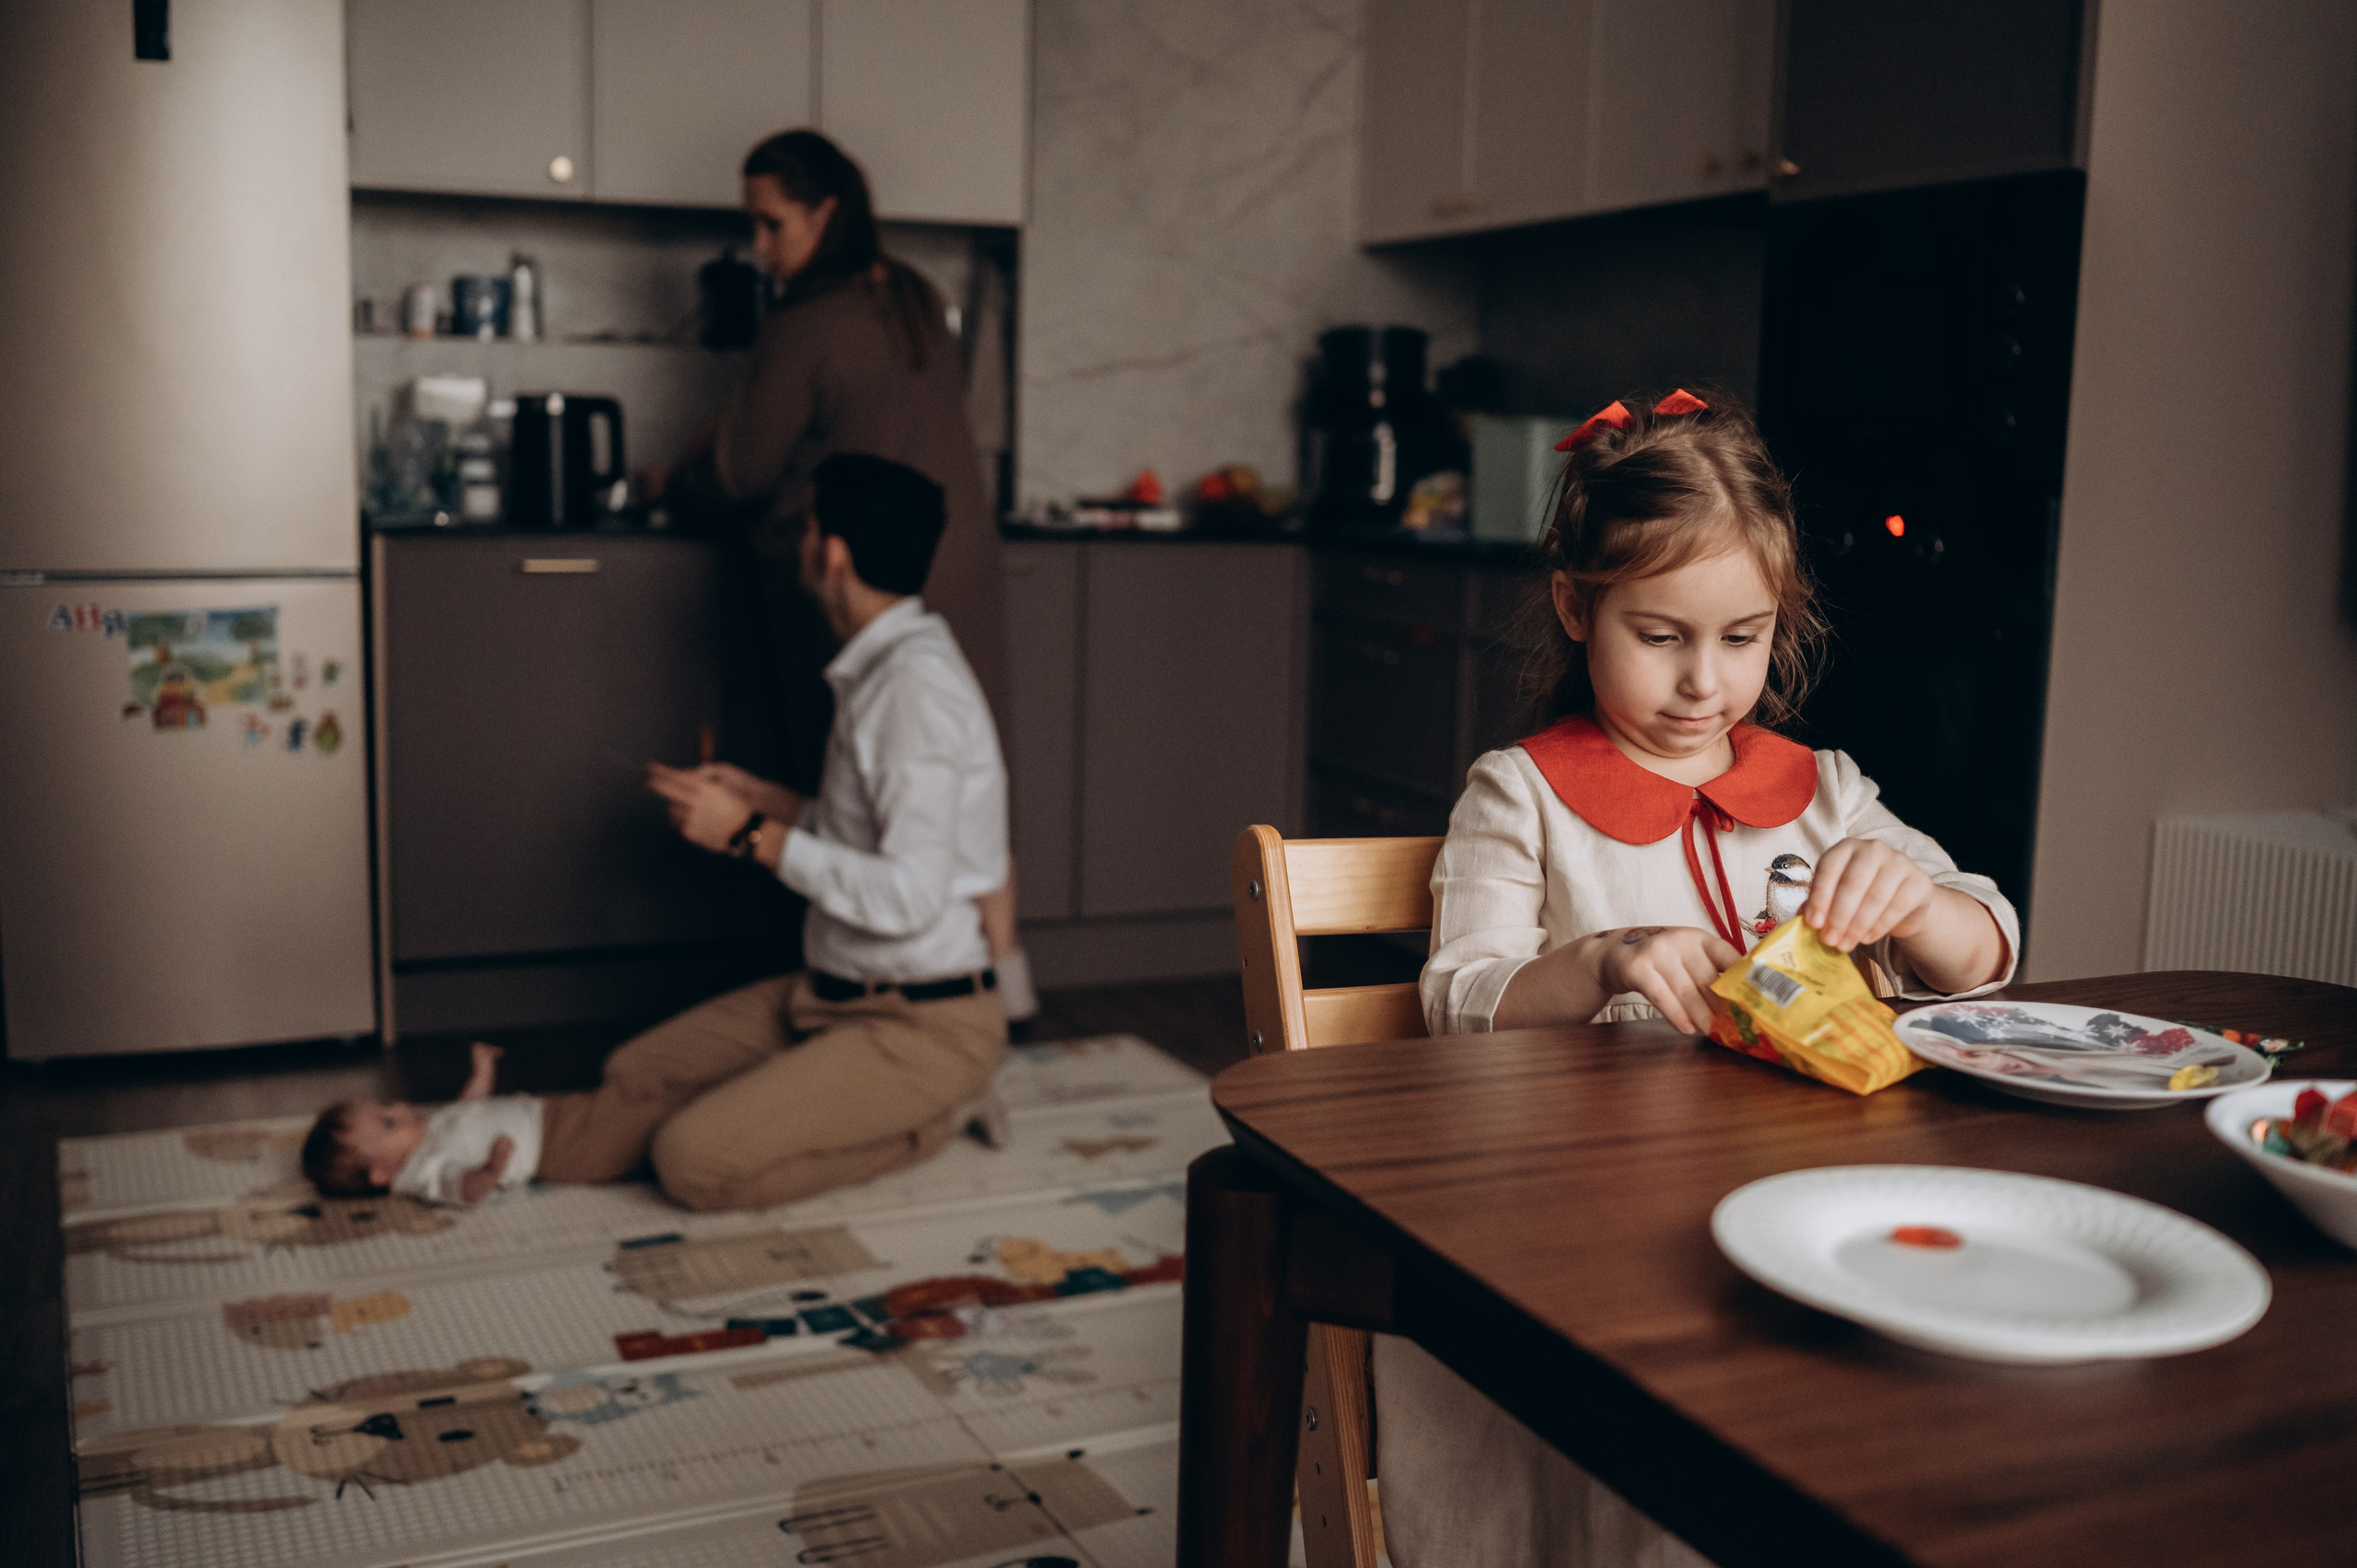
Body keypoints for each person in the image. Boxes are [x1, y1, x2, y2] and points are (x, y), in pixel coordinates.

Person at [1383, 390, 2017, 1566]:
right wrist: (1598, 961)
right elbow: (1457, 997)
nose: (1703, 685)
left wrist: (1922, 906)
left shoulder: (1823, 787)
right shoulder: (1519, 794)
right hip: (1591, 1218)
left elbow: (1987, 950)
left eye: (1742, 637)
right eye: (1660, 635)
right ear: (1578, 607)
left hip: (1811, 1200)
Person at [658, 127, 1035, 1023]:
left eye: (770, 224)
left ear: (826, 212)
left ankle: (862, 999)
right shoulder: (913, 295)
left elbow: (742, 471)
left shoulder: (805, 321)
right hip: (949, 568)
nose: (759, 247)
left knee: (870, 800)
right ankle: (1001, 997)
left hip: (854, 575)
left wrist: (676, 475)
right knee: (960, 802)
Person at [302, 1043, 532, 1203]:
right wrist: (491, 1169)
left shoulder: (424, 1133)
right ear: (382, 1171)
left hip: (538, 1110)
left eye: (386, 1104)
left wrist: (482, 1073)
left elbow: (465, 1110)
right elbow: (465, 1190)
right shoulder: (424, 1173)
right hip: (547, 1145)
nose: (400, 1106)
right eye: (389, 1123)